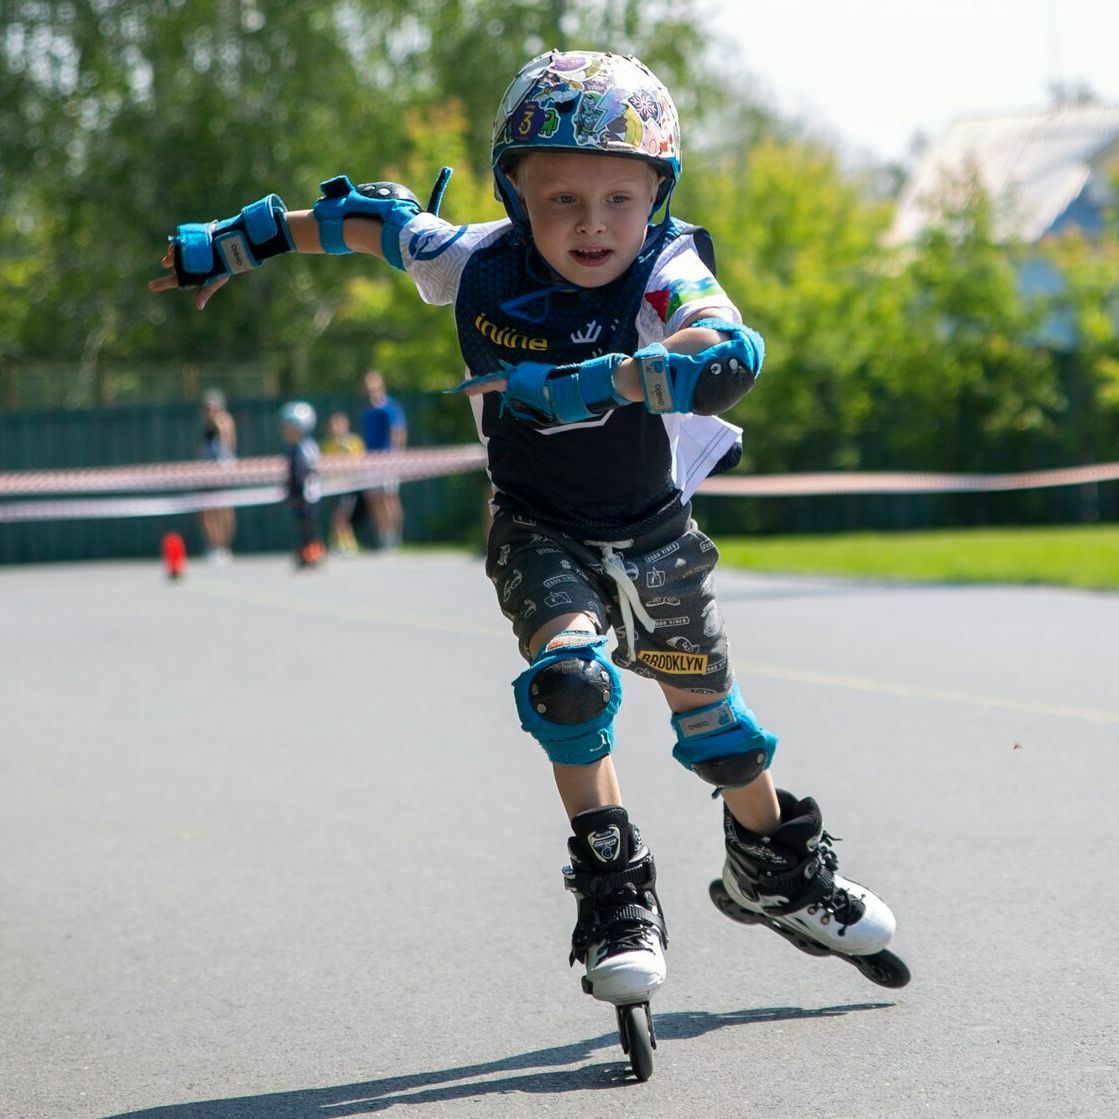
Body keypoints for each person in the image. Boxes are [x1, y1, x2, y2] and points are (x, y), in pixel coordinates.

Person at [150, 49, 905, 1031]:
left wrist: (617, 379)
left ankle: (773, 867)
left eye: (618, 199)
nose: (592, 224)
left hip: (654, 530)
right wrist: (241, 242)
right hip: (537, 522)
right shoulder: (476, 263)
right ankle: (614, 889)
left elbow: (722, 348)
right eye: (561, 200)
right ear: (515, 193)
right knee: (572, 681)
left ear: (656, 196)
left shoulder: (667, 265)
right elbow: (369, 220)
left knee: (717, 730)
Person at [359, 370, 407, 550]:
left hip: (387, 459)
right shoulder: (366, 409)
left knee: (389, 498)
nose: (369, 388)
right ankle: (383, 536)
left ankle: (394, 538)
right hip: (370, 460)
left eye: (373, 384)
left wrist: (396, 456)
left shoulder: (390, 406)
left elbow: (398, 432)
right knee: (374, 499)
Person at [279, 401, 325, 569]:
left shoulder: (305, 447)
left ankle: (314, 552)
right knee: (302, 523)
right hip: (299, 493)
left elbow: (304, 472)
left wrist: (297, 488)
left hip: (308, 493)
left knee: (309, 523)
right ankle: (306, 550)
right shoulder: (293, 448)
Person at [197, 388, 236, 563]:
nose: (208, 411)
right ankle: (213, 546)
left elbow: (227, 444)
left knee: (224, 510)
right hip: (207, 472)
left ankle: (223, 547)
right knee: (207, 510)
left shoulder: (224, 421)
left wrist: (217, 422)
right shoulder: (206, 425)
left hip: (222, 472)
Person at [320, 410, 365, 556]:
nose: (335, 428)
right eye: (333, 425)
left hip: (350, 486)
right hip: (333, 487)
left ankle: (347, 544)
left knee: (342, 516)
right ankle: (338, 543)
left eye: (339, 424)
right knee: (337, 516)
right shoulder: (326, 445)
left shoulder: (353, 442)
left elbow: (360, 461)